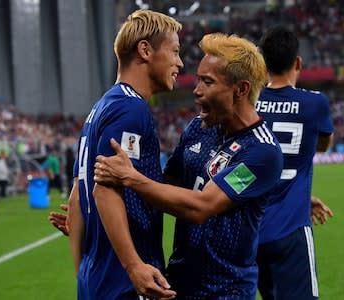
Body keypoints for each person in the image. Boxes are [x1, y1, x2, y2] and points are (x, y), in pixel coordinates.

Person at [94, 33, 283, 299]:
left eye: (207, 82)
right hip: (177, 284)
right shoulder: (198, 128)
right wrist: (95, 217)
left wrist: (131, 177)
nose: (196, 91)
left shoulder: (262, 152)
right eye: (198, 80)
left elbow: (200, 207)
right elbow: (163, 187)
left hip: (226, 291)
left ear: (240, 89)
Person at [67, 9, 183, 300]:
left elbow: (76, 198)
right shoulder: (131, 109)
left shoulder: (100, 108)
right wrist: (133, 266)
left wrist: (83, 272)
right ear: (145, 50)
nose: (179, 62)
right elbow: (105, 189)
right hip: (126, 283)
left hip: (97, 279)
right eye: (175, 51)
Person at [254, 26, 334, 300]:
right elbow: (323, 144)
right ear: (298, 62)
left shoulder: (248, 103)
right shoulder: (315, 103)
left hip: (251, 230)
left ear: (263, 64)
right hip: (291, 229)